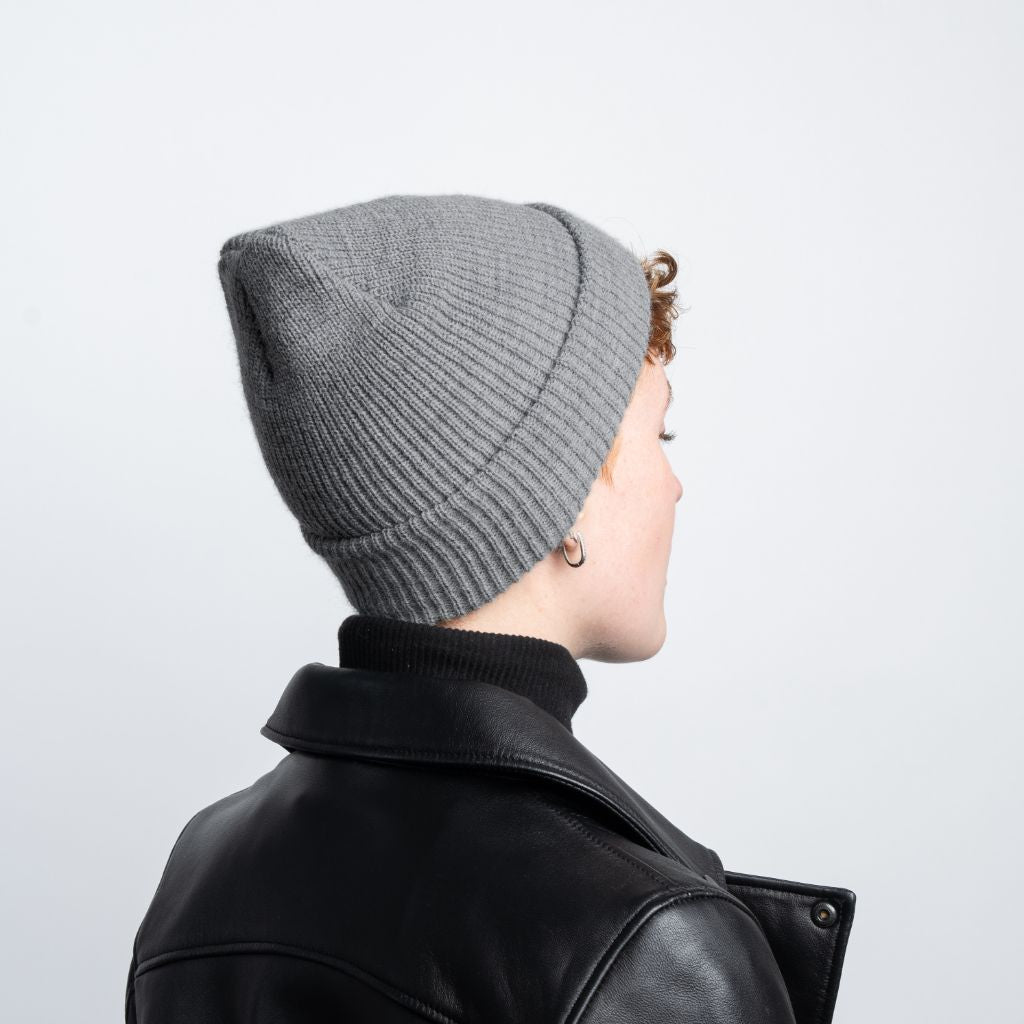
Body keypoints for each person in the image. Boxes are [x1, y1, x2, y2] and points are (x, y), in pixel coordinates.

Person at [125, 193, 855, 1022]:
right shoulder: (647, 947)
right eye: (660, 437)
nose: (675, 485)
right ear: (558, 494)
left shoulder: (204, 873)